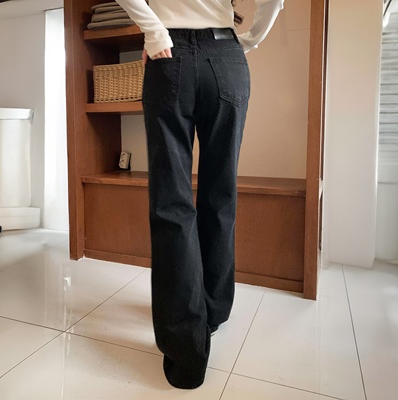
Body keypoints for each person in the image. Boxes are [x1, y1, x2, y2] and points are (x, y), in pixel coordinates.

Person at [115, 0, 284, 389]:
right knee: (220, 196)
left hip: (169, 54)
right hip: (226, 56)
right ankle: (212, 312)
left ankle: (186, 356)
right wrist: (250, 39)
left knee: (172, 204)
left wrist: (154, 30)